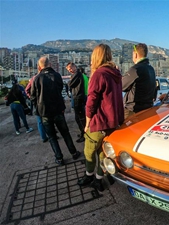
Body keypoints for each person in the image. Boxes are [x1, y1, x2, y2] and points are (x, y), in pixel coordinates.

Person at [77, 43, 124, 192]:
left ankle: (89, 175)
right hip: (113, 122)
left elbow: (91, 102)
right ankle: (98, 179)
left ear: (96, 56)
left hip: (100, 121)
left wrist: (87, 123)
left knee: (89, 151)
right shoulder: (116, 73)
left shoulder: (99, 74)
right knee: (103, 153)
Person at [30, 56, 81, 165]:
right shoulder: (57, 76)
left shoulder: (37, 78)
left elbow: (33, 97)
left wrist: (38, 109)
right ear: (50, 64)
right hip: (58, 110)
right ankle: (74, 153)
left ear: (39, 66)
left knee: (52, 137)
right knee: (65, 133)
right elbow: (60, 90)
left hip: (45, 113)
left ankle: (59, 158)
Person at [122, 43, 156, 119]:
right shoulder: (151, 69)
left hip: (133, 110)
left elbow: (121, 86)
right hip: (148, 109)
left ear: (136, 54)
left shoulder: (135, 69)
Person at [66, 62, 86, 143]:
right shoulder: (77, 74)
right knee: (79, 117)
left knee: (79, 118)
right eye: (68, 69)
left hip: (78, 97)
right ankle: (82, 133)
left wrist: (69, 81)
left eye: (70, 68)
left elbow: (70, 84)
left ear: (74, 66)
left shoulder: (77, 74)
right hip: (78, 97)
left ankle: (84, 134)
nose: (70, 70)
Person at [25, 74, 49, 142]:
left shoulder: (33, 78)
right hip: (46, 101)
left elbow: (27, 90)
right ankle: (51, 135)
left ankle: (44, 137)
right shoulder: (46, 76)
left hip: (37, 103)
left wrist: (32, 98)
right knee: (48, 119)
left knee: (40, 121)